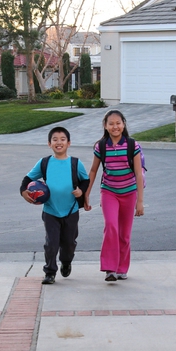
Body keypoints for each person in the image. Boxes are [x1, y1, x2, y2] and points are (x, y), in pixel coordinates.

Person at [20, 127, 90, 285]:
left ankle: (66, 261)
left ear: (69, 143)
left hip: (71, 211)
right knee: (51, 243)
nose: (59, 142)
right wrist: (23, 192)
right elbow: (27, 179)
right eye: (55, 139)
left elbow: (86, 181)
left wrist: (81, 191)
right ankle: (50, 272)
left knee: (69, 243)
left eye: (63, 139)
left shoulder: (75, 163)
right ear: (49, 144)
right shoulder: (44, 163)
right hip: (51, 210)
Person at [84, 110, 145, 282]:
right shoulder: (101, 146)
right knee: (111, 226)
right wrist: (86, 194)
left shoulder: (133, 145)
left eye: (118, 123)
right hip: (109, 191)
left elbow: (139, 174)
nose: (115, 126)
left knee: (124, 234)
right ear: (105, 126)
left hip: (129, 192)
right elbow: (94, 171)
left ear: (123, 124)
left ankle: (121, 268)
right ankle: (110, 269)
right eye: (111, 123)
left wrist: (140, 201)